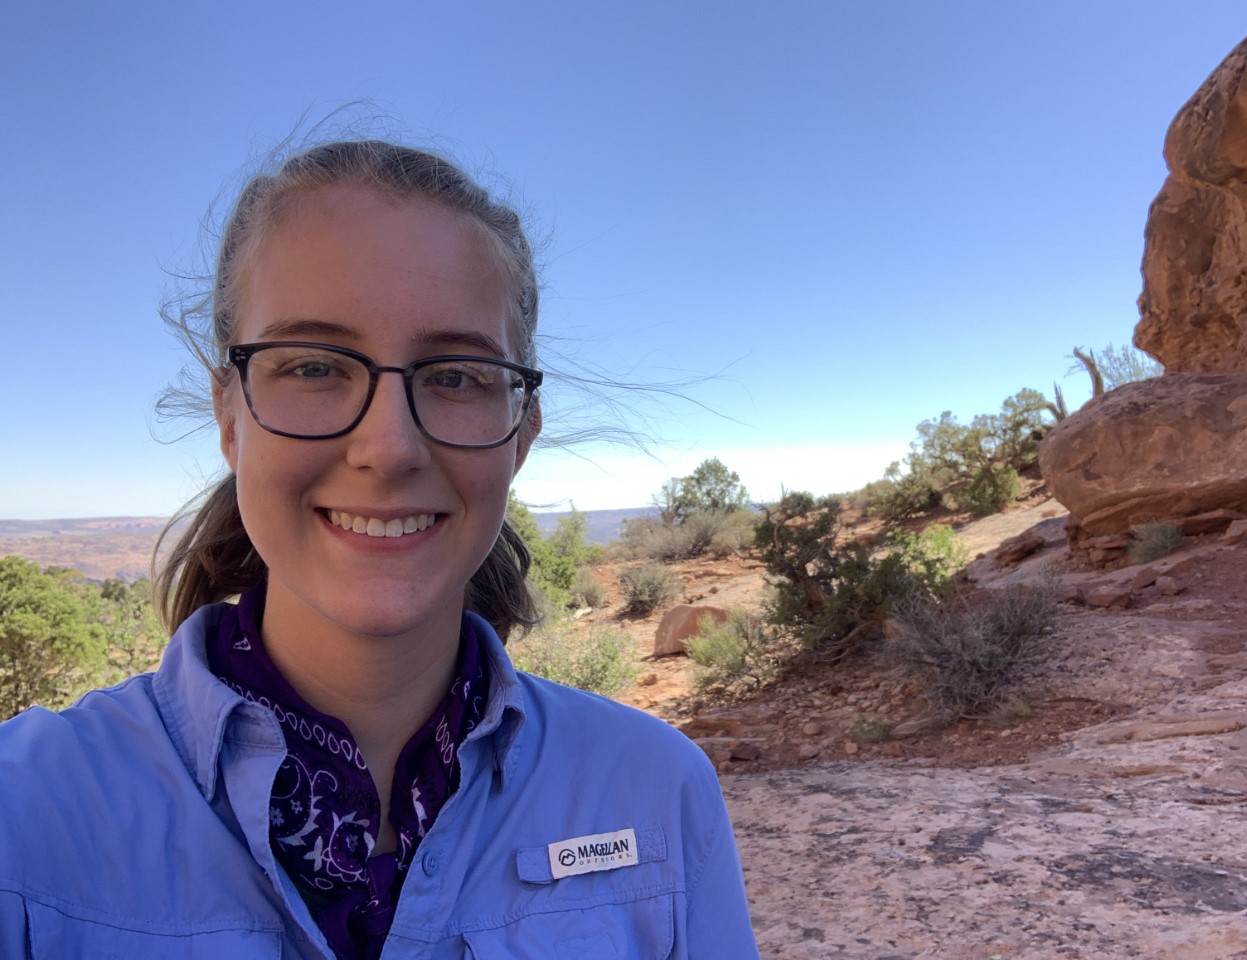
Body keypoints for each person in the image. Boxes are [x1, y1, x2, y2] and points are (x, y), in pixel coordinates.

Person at [0, 140, 759, 959]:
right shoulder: (27, 817)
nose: (389, 447)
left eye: (456, 375)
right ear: (229, 415)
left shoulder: (656, 791)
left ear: (523, 430)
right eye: (318, 366)